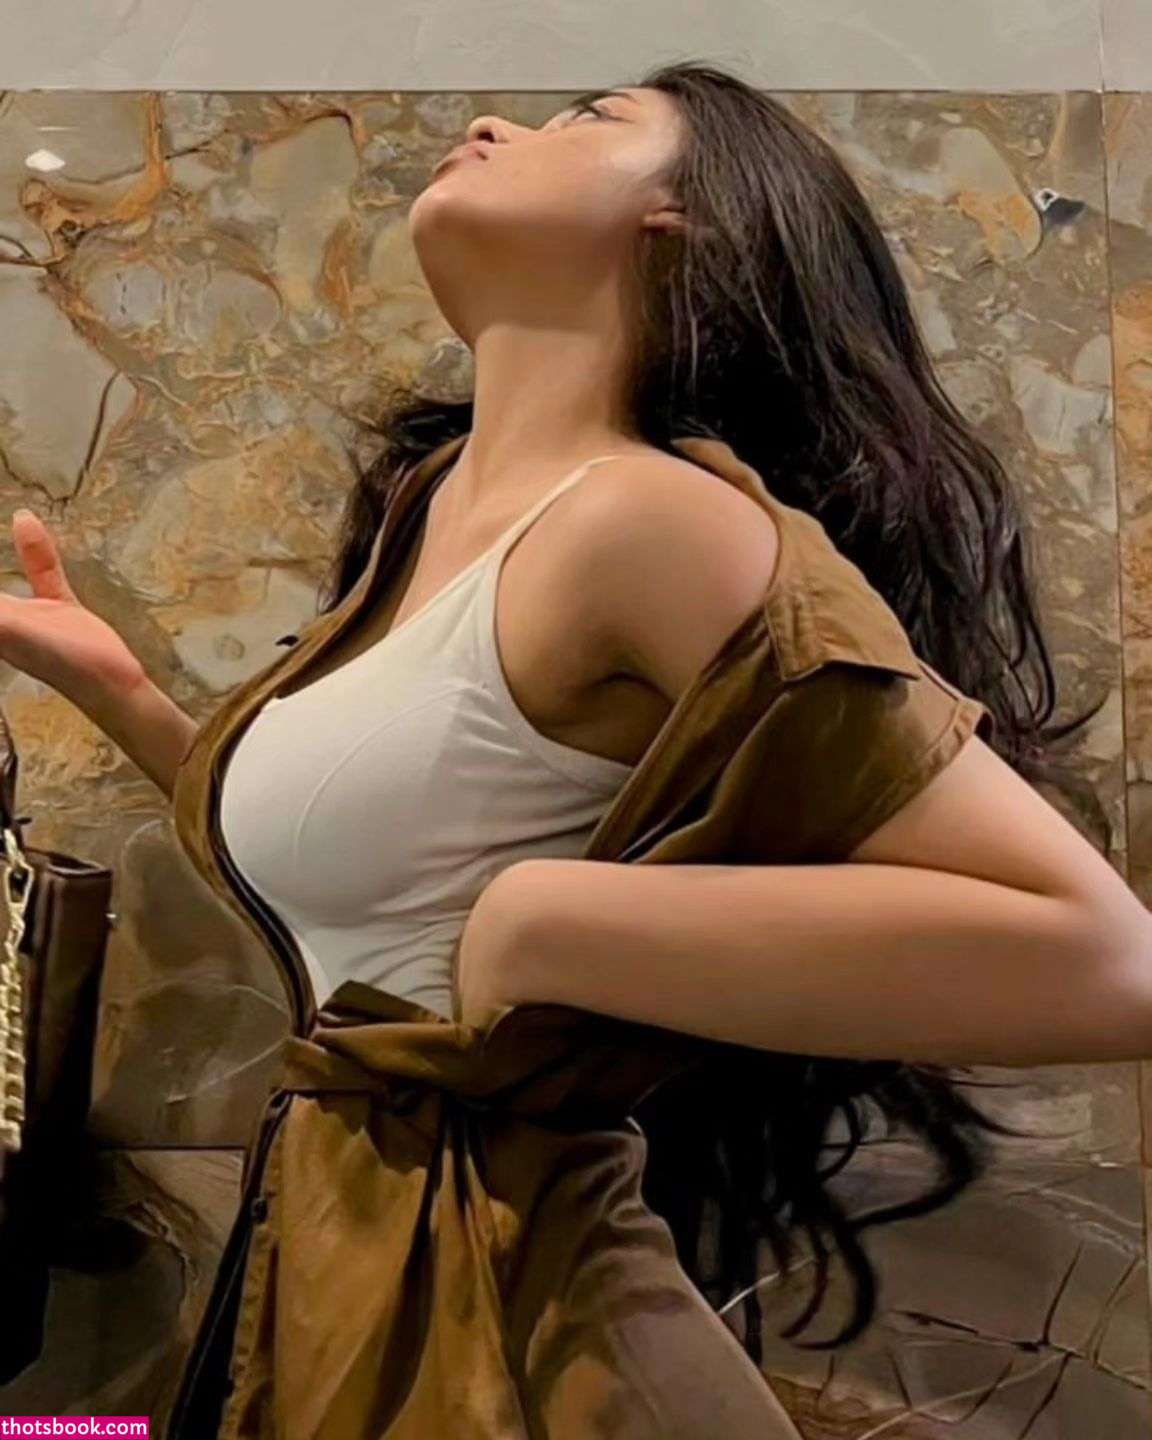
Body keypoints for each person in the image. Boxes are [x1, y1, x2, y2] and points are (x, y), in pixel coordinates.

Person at [3, 59, 1150, 1436]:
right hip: (366, 1278)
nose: (492, 122)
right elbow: (380, 905)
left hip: (537, 1342)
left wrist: (546, 928)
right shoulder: (433, 509)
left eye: (591, 119)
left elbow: (1110, 965)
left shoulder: (649, 523)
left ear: (689, 218)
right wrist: (116, 684)